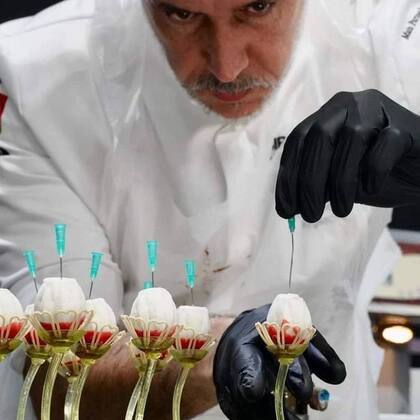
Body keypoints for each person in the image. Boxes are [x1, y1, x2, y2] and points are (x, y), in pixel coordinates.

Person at [0, 0, 419, 418]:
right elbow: (56, 372)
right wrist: (208, 358)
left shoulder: (386, 22)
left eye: (257, 7)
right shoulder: (37, 80)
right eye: (181, 15)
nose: (227, 66)